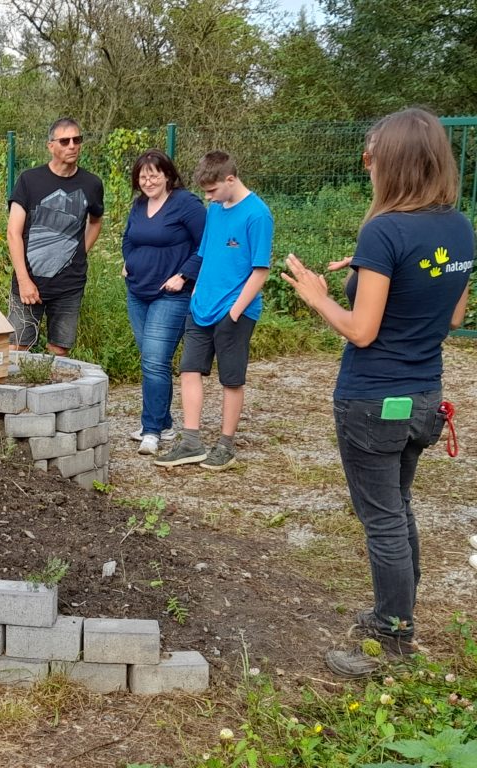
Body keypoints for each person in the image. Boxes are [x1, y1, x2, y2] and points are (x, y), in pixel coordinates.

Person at [282, 108, 474, 678]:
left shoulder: (385, 229)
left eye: (371, 157)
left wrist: (320, 295)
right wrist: (366, 273)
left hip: (372, 401)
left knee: (383, 519)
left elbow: (362, 331)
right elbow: (452, 313)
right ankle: (397, 610)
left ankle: (393, 636)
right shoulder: (458, 226)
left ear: (391, 162)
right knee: (398, 508)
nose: (368, 167)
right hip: (422, 399)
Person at [154, 151, 273, 471]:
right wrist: (194, 293)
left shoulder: (258, 215)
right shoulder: (216, 209)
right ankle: (191, 442)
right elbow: (205, 255)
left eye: (212, 190)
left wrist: (235, 311)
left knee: (231, 379)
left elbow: (260, 271)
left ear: (230, 180)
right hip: (201, 306)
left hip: (235, 309)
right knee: (189, 370)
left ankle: (226, 446)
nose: (208, 197)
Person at [122, 149, 206, 456]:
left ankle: (152, 430)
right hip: (138, 290)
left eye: (154, 174)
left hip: (170, 295)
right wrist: (128, 260)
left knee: (155, 361)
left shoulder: (187, 204)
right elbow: (128, 238)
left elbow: (205, 244)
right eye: (143, 176)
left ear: (168, 175)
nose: (148, 180)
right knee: (151, 360)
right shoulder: (139, 204)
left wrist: (184, 276)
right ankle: (165, 422)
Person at [7, 117, 104, 355]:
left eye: (76, 140)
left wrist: (80, 251)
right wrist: (23, 280)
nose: (72, 145)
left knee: (59, 351)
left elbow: (96, 221)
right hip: (29, 281)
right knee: (17, 348)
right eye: (64, 141)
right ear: (51, 145)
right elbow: (13, 232)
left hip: (69, 285)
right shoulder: (29, 180)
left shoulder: (92, 184)